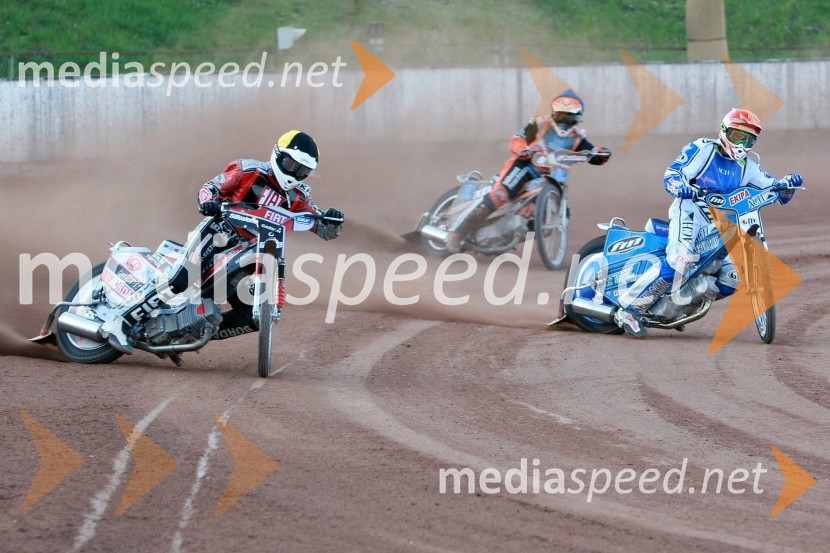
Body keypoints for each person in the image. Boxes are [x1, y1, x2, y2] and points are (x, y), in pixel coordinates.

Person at [614, 108, 803, 337]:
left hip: (720, 220)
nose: (742, 143)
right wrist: (681, 187)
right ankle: (628, 309)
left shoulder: (748, 166)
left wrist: (787, 184)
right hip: (690, 210)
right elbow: (673, 174)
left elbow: (774, 188)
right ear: (724, 131)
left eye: (748, 138)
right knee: (680, 261)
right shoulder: (704, 149)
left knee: (730, 279)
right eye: (737, 136)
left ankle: (675, 309)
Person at [191, 130, 344, 339]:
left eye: (302, 171)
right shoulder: (247, 170)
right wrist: (208, 202)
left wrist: (331, 220)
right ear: (278, 156)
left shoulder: (300, 196)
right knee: (180, 281)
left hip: (248, 257)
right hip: (218, 235)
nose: (294, 174)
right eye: (292, 166)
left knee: (253, 318)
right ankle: (132, 319)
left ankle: (196, 332)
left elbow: (323, 228)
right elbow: (211, 187)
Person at [446, 89, 611, 253]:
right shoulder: (540, 124)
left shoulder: (577, 138)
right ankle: (457, 233)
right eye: (561, 115)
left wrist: (600, 154)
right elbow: (517, 139)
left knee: (550, 216)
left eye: (570, 117)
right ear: (553, 113)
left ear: (577, 119)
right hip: (524, 166)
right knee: (500, 194)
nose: (565, 121)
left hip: (549, 179)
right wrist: (524, 150)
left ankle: (506, 236)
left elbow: (592, 152)